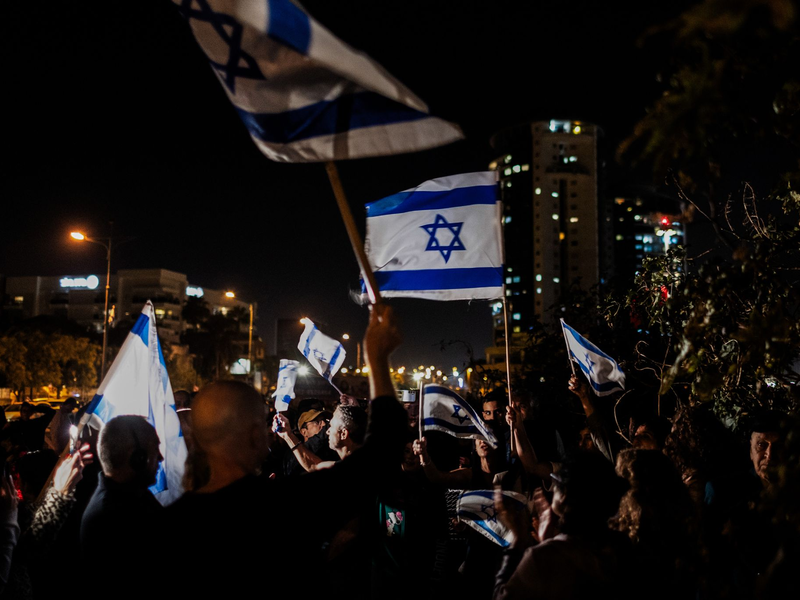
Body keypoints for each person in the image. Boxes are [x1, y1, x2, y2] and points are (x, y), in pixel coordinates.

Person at [164, 304, 407, 597]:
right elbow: (380, 453)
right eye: (262, 426)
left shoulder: (167, 525)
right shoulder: (278, 506)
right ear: (255, 435)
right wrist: (377, 361)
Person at [80, 416, 163, 595]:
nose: (161, 458)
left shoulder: (133, 494)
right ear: (137, 457)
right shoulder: (113, 518)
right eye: (156, 449)